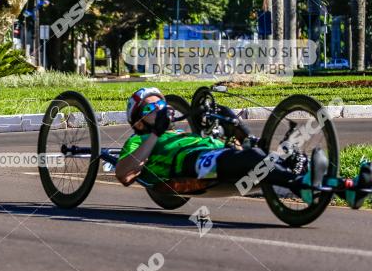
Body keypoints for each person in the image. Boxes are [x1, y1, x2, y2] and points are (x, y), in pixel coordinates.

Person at [115, 87, 372, 208]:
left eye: (163, 106)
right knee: (254, 158)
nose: (160, 109)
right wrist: (156, 133)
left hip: (218, 155)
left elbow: (235, 146)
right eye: (151, 108)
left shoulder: (183, 132)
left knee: (277, 159)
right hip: (189, 164)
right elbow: (125, 174)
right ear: (137, 121)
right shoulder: (137, 141)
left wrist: (233, 126)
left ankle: (348, 189)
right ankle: (303, 186)